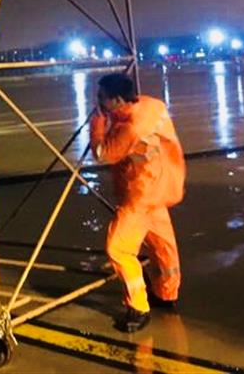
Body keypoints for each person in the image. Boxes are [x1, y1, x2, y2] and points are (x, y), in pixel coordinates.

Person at [90, 72, 186, 333]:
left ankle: (138, 307)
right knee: (162, 247)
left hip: (140, 194)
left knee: (118, 249)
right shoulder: (153, 106)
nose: (97, 101)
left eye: (102, 98)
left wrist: (98, 122)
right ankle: (167, 294)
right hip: (161, 188)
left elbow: (102, 153)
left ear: (118, 100)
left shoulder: (130, 128)